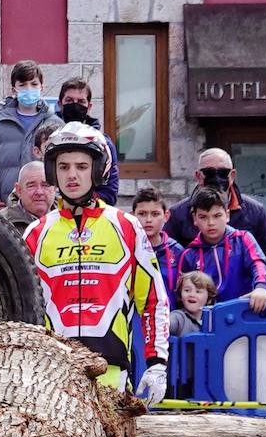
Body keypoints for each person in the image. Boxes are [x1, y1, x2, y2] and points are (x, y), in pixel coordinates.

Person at [23, 123, 169, 400]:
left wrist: (157, 363)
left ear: (98, 169)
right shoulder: (36, 232)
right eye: (63, 167)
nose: (72, 175)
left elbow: (152, 299)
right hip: (51, 374)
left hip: (111, 371)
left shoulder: (126, 226)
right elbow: (21, 309)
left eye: (81, 166)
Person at [0, 60, 62, 211]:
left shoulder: (55, 125)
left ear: (42, 87)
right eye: (22, 85)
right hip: (6, 205)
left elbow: (63, 164)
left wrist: (59, 196)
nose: (29, 89)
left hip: (46, 206)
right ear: (14, 89)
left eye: (34, 84)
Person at [166, 148, 266, 256]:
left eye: (223, 172)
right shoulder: (177, 214)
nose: (216, 178)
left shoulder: (255, 211)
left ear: (232, 176)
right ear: (199, 177)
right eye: (209, 173)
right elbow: (170, 260)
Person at [177, 187, 266, 313]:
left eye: (217, 216)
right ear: (195, 219)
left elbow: (258, 264)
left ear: (227, 215)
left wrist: (261, 287)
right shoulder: (189, 254)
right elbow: (181, 293)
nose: (211, 222)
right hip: (206, 321)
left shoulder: (243, 240)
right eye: (203, 217)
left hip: (244, 313)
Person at [56, 77, 120, 204]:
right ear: (60, 104)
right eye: (69, 100)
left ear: (89, 106)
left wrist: (80, 201)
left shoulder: (103, 144)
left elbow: (109, 192)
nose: (75, 105)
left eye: (80, 101)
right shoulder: (47, 139)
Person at [132, 186, 181, 299]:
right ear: (132, 216)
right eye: (142, 214)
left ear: (166, 216)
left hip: (169, 314)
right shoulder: (124, 250)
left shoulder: (177, 252)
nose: (148, 220)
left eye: (155, 214)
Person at [2, 160, 55, 230]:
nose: (39, 192)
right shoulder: (0, 223)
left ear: (55, 188)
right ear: (19, 190)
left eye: (45, 185)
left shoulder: (69, 218)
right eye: (31, 186)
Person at [169, 270, 215, 338]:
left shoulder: (213, 320)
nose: (192, 295)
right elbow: (165, 324)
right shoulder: (178, 317)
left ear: (209, 298)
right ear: (180, 295)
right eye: (187, 290)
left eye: (198, 291)